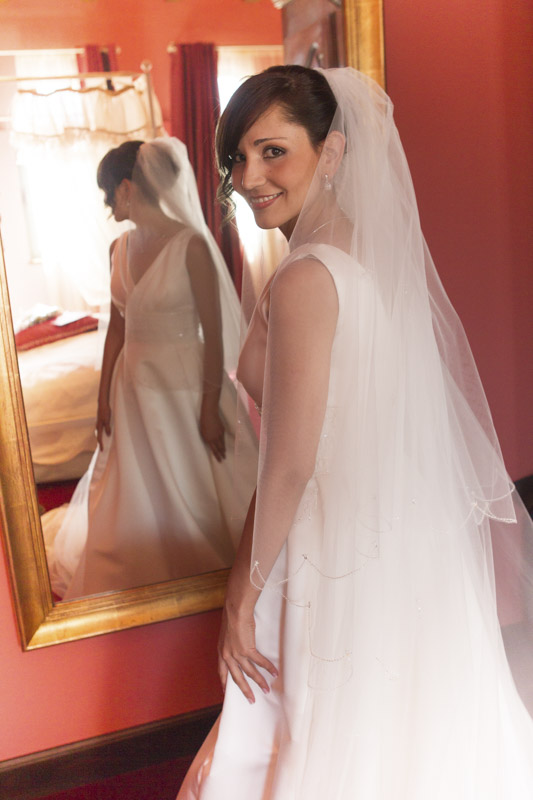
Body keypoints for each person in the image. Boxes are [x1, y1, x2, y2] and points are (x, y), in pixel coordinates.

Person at [177, 66, 533, 799]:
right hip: (401, 535)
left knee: (320, 734)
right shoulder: (371, 252)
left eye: (273, 152)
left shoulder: (307, 277)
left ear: (331, 152)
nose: (248, 177)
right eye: (238, 157)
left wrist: (240, 596)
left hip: (328, 543)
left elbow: (289, 465)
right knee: (402, 724)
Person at [43, 138, 257, 598]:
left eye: (108, 194)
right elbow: (117, 330)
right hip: (132, 387)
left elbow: (214, 333)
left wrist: (208, 407)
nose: (107, 206)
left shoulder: (191, 246)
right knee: (134, 484)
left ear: (126, 188)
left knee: (194, 480)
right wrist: (102, 398)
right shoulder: (118, 249)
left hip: (184, 386)